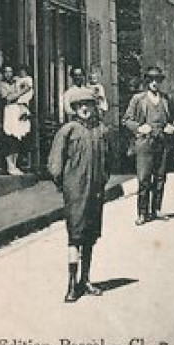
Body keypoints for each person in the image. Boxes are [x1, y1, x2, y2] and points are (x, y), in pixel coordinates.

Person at [47, 87, 111, 303]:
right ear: (74, 109)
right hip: (75, 191)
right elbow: (55, 164)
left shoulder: (101, 130)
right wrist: (65, 185)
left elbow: (108, 159)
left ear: (94, 107)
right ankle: (72, 284)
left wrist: (102, 179)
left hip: (95, 191)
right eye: (79, 105)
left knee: (90, 235)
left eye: (88, 104)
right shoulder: (68, 131)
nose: (85, 108)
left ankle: (86, 279)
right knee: (75, 236)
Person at [122, 65, 174, 225]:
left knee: (160, 177)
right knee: (144, 178)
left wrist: (172, 126)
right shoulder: (138, 99)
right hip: (145, 143)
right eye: (151, 80)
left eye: (157, 80)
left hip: (162, 142)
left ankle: (156, 210)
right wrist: (139, 127)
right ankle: (142, 213)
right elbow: (126, 120)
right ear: (147, 82)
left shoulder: (166, 99)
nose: (155, 83)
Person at [0, 64, 31, 176]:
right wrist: (22, 92)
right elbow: (8, 98)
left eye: (10, 71)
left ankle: (15, 164)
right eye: (6, 71)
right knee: (9, 136)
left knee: (17, 137)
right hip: (9, 111)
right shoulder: (2, 85)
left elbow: (26, 85)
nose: (8, 74)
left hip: (17, 110)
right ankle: (10, 165)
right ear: (2, 73)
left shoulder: (15, 82)